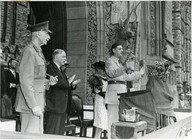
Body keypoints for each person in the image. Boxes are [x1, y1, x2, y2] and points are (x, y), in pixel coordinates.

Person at [15, 21, 58, 133]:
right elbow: (25, 81)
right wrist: (33, 105)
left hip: (37, 101)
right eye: (47, 34)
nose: (49, 37)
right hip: (30, 104)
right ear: (38, 33)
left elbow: (36, 79)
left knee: (37, 134)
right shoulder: (29, 51)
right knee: (30, 135)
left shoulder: (38, 51)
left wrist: (49, 83)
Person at [104, 43, 145, 138]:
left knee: (120, 120)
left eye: (122, 49)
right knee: (112, 119)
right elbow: (112, 73)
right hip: (113, 95)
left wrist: (140, 73)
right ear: (113, 50)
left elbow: (126, 77)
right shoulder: (109, 61)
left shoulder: (119, 63)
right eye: (119, 49)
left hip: (121, 95)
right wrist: (125, 67)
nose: (122, 50)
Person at [45, 49, 80, 135]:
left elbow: (64, 85)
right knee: (52, 132)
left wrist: (72, 85)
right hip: (55, 105)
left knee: (59, 132)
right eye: (63, 56)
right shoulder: (49, 67)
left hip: (62, 106)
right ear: (56, 57)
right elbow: (57, 83)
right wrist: (68, 82)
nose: (65, 58)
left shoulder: (60, 70)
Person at [89, 61, 108, 139]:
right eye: (101, 69)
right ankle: (96, 137)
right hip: (100, 99)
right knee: (100, 118)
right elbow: (98, 90)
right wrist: (107, 97)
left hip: (105, 99)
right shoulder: (95, 78)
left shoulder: (105, 78)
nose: (103, 71)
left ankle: (98, 137)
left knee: (103, 119)